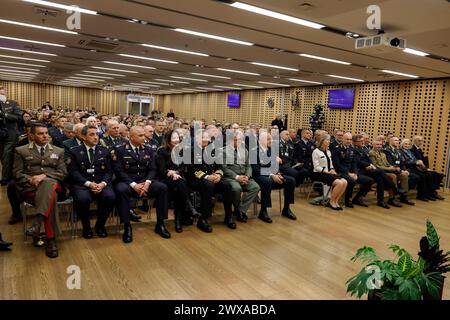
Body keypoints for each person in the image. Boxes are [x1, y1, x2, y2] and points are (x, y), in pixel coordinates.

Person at [14, 123, 67, 258]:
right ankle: (51, 240)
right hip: (30, 188)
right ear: (31, 135)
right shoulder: (21, 150)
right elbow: (17, 174)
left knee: (48, 183)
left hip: (53, 185)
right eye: (40, 133)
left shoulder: (58, 151)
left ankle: (37, 224)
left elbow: (62, 173)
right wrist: (31, 179)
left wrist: (44, 176)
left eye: (46, 133)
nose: (45, 136)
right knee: (51, 197)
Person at [112, 126, 170, 243]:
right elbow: (119, 171)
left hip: (144, 181)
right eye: (140, 135)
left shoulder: (148, 149)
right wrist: (133, 185)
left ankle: (160, 224)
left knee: (162, 188)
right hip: (127, 182)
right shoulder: (120, 150)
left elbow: (153, 169)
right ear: (131, 137)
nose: (144, 137)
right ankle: (127, 226)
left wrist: (147, 183)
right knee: (121, 190)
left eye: (144, 135)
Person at [68, 125, 116, 239]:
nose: (96, 137)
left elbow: (109, 172)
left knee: (110, 197)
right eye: (91, 134)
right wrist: (89, 184)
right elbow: (73, 172)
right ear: (83, 137)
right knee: (83, 198)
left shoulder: (105, 151)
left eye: (97, 134)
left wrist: (102, 184)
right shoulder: (74, 151)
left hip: (101, 183)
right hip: (83, 184)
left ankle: (100, 226)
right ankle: (86, 227)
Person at [188, 130, 235, 232]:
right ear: (196, 139)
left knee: (227, 185)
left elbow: (219, 166)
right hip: (197, 180)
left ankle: (228, 216)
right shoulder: (190, 151)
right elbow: (192, 170)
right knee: (208, 185)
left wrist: (218, 175)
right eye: (202, 138)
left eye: (206, 138)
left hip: (212, 178)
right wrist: (206, 176)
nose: (205, 140)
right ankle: (203, 218)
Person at [156, 130, 199, 233]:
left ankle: (179, 219)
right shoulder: (161, 151)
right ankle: (186, 209)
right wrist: (171, 173)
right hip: (165, 179)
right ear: (168, 140)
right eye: (173, 138)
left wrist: (176, 172)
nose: (176, 140)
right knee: (181, 184)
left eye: (177, 138)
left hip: (177, 178)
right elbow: (161, 169)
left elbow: (183, 166)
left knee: (179, 188)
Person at [251, 131, 297, 223]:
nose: (271, 140)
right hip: (259, 176)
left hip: (272, 176)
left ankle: (286, 208)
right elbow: (256, 170)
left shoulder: (271, 151)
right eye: (268, 139)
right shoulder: (254, 151)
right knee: (267, 182)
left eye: (271, 138)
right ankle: (263, 211)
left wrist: (278, 173)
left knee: (291, 180)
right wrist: (271, 175)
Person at [353, 134, 404, 209]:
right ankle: (394, 189)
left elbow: (368, 160)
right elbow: (357, 161)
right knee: (380, 171)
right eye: (360, 141)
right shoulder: (354, 149)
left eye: (362, 140)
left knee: (380, 178)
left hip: (367, 169)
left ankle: (380, 200)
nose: (363, 142)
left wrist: (370, 164)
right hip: (359, 170)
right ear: (355, 142)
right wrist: (369, 165)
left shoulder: (362, 149)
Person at [222, 130, 260, 225]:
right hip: (232, 178)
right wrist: (238, 177)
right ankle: (239, 211)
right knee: (236, 188)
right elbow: (224, 168)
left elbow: (249, 166)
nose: (238, 142)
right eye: (236, 140)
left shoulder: (244, 150)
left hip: (245, 176)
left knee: (256, 187)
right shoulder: (223, 151)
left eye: (239, 140)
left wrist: (247, 176)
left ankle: (240, 210)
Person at [332, 132, 374, 208]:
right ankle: (348, 200)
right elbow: (337, 165)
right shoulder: (337, 149)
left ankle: (357, 198)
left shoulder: (352, 149)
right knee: (351, 181)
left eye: (350, 139)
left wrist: (355, 173)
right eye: (347, 139)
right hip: (340, 172)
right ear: (343, 139)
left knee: (369, 180)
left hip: (351, 172)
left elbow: (354, 163)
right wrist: (348, 173)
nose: (349, 141)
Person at [369, 139, 415, 206]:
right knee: (393, 176)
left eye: (380, 144)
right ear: (373, 145)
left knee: (403, 175)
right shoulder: (371, 153)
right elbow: (376, 166)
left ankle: (404, 197)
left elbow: (387, 163)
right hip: (380, 172)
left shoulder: (382, 154)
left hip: (387, 170)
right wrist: (389, 168)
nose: (379, 146)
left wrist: (393, 167)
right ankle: (392, 198)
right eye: (377, 144)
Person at [311, 134, 347, 210]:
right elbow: (316, 167)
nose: (329, 142)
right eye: (327, 140)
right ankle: (331, 202)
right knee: (339, 183)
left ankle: (335, 201)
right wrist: (327, 172)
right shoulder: (316, 151)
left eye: (329, 140)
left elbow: (330, 164)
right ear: (322, 141)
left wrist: (332, 169)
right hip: (319, 174)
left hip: (328, 173)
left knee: (344, 182)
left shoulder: (328, 152)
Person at [0, 86, 22, 185]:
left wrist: (4, 114)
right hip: (0, 134)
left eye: (2, 93)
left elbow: (18, 117)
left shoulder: (13, 103)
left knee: (7, 156)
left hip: (10, 134)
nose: (1, 95)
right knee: (2, 157)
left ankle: (6, 179)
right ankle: (6, 176)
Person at [411, 136, 445, 200]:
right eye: (419, 140)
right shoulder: (412, 149)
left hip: (422, 167)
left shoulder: (419, 149)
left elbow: (423, 161)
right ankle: (425, 194)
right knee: (428, 175)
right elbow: (415, 161)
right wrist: (425, 169)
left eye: (422, 141)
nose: (421, 142)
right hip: (415, 168)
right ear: (414, 141)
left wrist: (426, 168)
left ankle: (432, 192)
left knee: (436, 174)